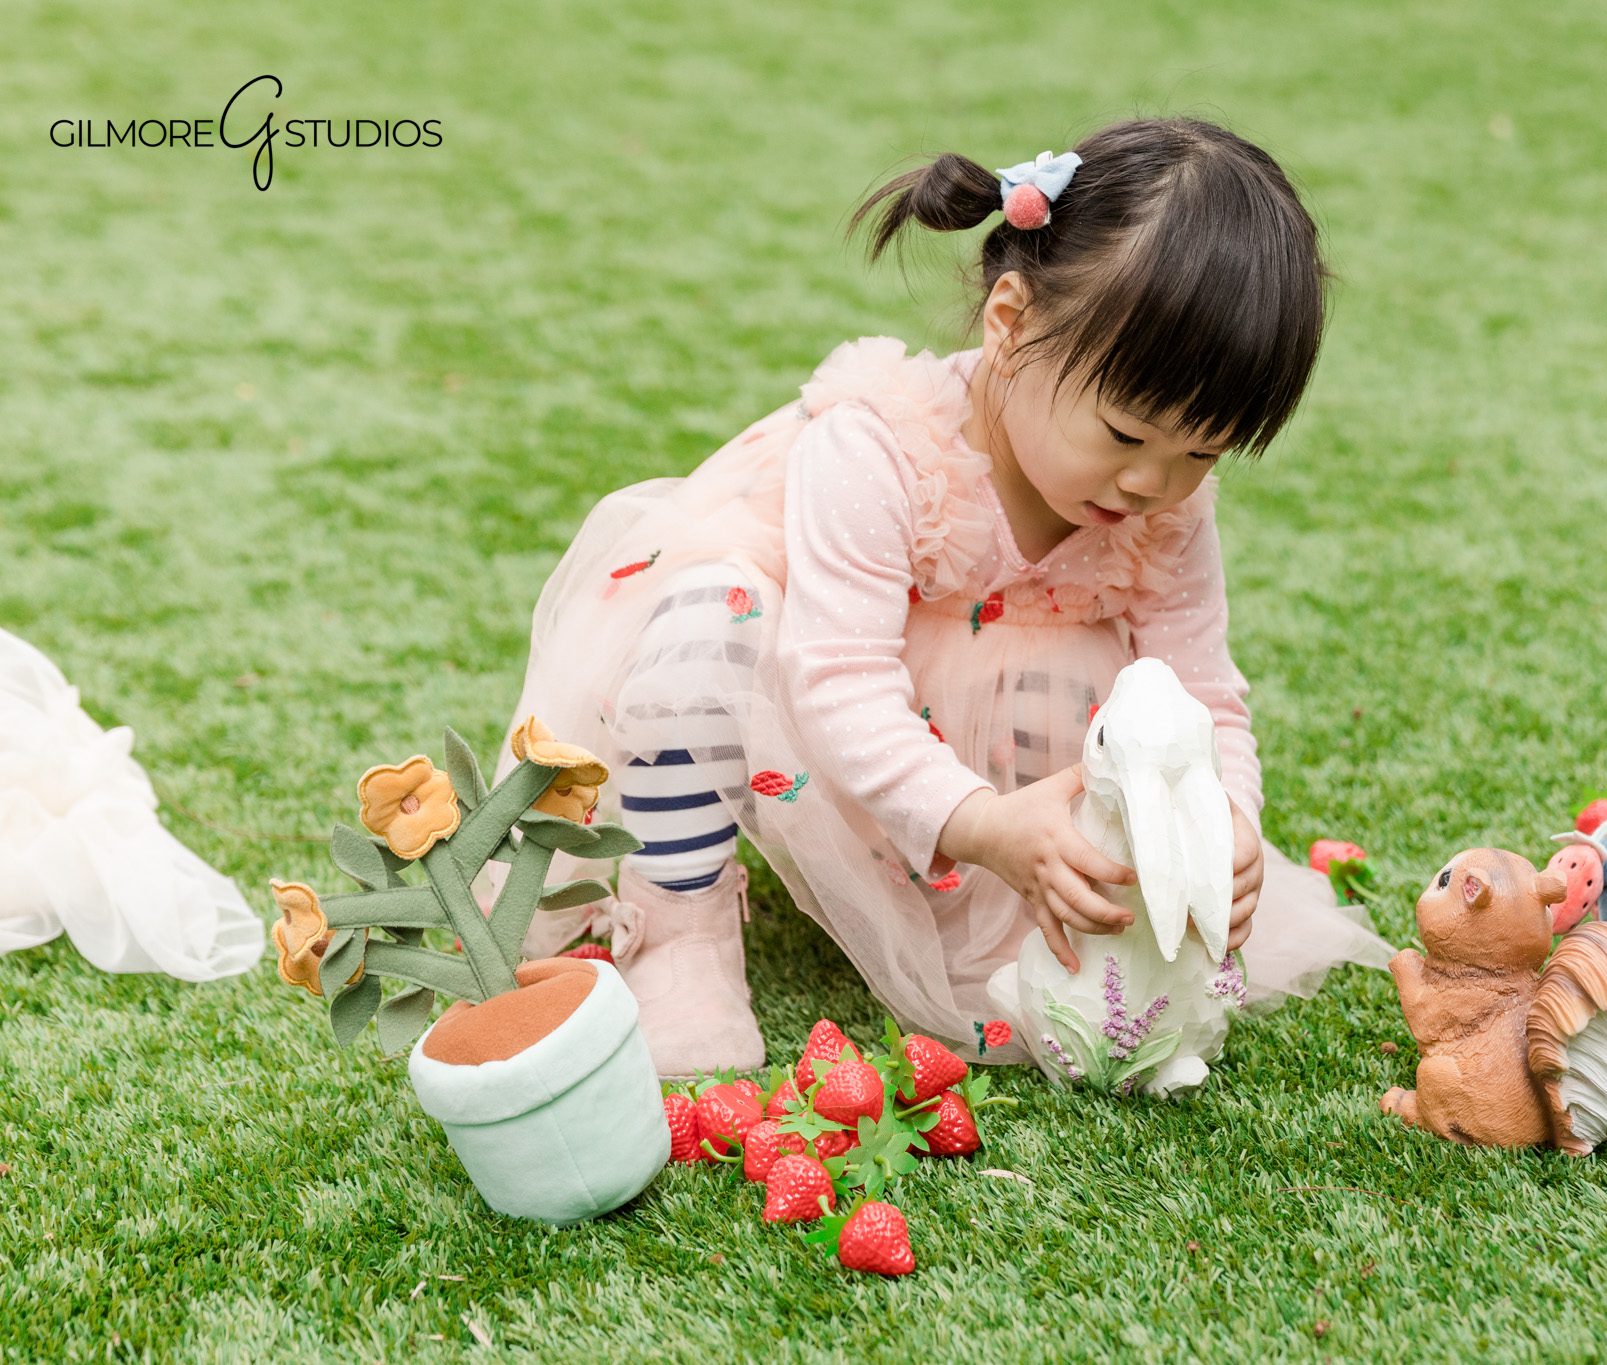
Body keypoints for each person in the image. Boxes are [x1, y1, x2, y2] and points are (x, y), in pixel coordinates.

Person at [482, 116, 1391, 1079]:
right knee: (708, 615)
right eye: (1127, 434)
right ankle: (681, 929)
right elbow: (837, 683)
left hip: (985, 775)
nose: (1153, 485)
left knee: (1135, 720)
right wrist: (987, 825)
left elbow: (1206, 693)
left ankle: (957, 897)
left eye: (1201, 450)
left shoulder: (1169, 507)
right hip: (822, 719)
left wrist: (1229, 822)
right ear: (1009, 325)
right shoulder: (879, 448)